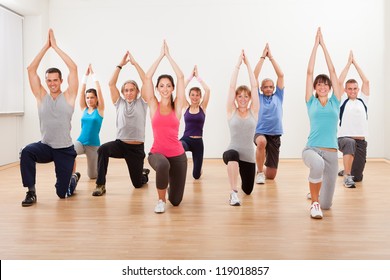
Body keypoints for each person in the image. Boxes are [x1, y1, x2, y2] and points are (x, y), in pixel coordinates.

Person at [20, 29, 79, 206]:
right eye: (49, 80)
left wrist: (56, 47)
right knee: (26, 151)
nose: (52, 83)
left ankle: (73, 178)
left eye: (55, 80)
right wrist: (46, 47)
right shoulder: (41, 96)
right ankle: (31, 192)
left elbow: (73, 68)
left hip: (64, 149)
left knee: (62, 194)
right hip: (46, 146)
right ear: (46, 82)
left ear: (61, 81)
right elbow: (31, 69)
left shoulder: (69, 96)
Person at [92, 51, 149, 196]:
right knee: (103, 149)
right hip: (120, 145)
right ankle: (100, 184)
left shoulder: (142, 102)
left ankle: (143, 174)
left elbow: (146, 82)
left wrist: (135, 64)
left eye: (132, 90)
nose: (129, 92)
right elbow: (111, 83)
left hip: (136, 149)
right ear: (123, 92)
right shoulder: (119, 103)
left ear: (137, 91)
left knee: (137, 184)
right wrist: (120, 65)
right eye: (126, 90)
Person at [142, 41, 187, 214]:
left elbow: (181, 77)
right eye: (161, 85)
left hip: (178, 156)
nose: (165, 88)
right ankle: (160, 200)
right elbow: (147, 78)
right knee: (162, 165)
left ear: (173, 88)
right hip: (157, 153)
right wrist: (160, 56)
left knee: (176, 201)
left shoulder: (178, 106)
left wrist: (169, 56)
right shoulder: (153, 104)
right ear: (157, 89)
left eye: (168, 85)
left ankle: (168, 190)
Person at [303, 28, 343, 219]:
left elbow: (333, 72)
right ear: (315, 88)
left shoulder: (336, 101)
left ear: (329, 87)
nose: (322, 86)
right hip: (312, 149)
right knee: (317, 164)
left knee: (328, 205)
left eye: (325, 84)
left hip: (332, 154)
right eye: (319, 84)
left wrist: (324, 46)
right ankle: (314, 203)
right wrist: (314, 46)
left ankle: (318, 196)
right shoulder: (311, 102)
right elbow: (309, 72)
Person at [223, 50, 259, 206]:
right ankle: (233, 193)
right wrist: (238, 65)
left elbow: (255, 86)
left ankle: (242, 189)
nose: (243, 99)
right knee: (232, 156)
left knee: (249, 190)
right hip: (233, 153)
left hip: (249, 157)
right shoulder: (231, 111)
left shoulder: (254, 112)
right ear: (236, 98)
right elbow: (231, 87)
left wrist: (248, 65)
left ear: (249, 98)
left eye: (246, 96)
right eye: (239, 96)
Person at [253, 43, 285, 184]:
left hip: (275, 134)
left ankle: (261, 168)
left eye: (271, 87)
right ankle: (260, 172)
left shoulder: (278, 96)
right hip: (260, 131)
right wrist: (262, 58)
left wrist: (271, 57)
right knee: (261, 142)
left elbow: (281, 75)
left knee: (271, 176)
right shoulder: (258, 97)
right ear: (261, 88)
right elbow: (254, 76)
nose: (268, 89)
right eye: (265, 87)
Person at [337, 51, 370, 188]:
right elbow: (339, 82)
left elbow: (366, 81)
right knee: (350, 142)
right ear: (345, 90)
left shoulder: (363, 101)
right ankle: (346, 174)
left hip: (360, 142)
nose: (353, 91)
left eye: (355, 89)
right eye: (349, 89)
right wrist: (347, 64)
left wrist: (355, 63)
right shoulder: (342, 101)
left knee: (357, 178)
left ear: (358, 89)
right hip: (344, 140)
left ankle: (347, 170)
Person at [72, 64, 105, 182]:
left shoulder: (100, 111)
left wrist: (94, 76)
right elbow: (81, 92)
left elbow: (100, 91)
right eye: (87, 98)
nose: (89, 100)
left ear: (96, 99)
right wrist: (85, 77)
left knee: (92, 176)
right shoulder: (84, 109)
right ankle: (73, 175)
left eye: (92, 97)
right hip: (80, 142)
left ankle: (99, 166)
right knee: (69, 153)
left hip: (93, 146)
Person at [180, 65, 210, 179]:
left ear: (200, 97)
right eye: (192, 95)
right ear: (189, 96)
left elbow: (207, 90)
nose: (195, 97)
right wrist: (190, 77)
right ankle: (178, 169)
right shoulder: (185, 106)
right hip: (186, 139)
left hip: (198, 143)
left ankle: (198, 169)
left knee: (196, 176)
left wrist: (198, 77)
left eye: (197, 95)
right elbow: (181, 89)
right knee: (178, 146)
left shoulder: (203, 107)